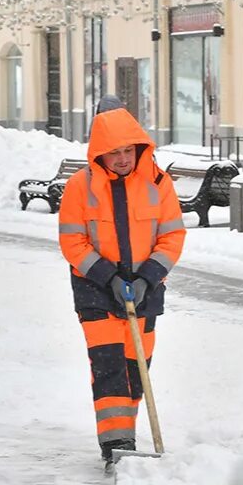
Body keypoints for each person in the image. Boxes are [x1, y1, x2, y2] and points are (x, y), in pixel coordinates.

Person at [57, 95, 186, 465]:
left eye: (128, 150)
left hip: (145, 290)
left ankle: (124, 434)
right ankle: (117, 446)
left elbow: (172, 236)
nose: (123, 158)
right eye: (114, 152)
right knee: (110, 365)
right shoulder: (80, 188)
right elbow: (72, 241)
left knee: (136, 365)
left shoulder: (158, 183)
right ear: (99, 152)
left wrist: (149, 277)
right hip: (95, 290)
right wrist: (107, 276)